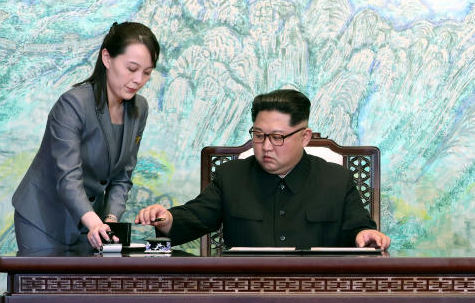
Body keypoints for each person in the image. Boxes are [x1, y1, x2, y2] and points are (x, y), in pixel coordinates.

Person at [135, 89, 390, 250]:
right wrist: (166, 219)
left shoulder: (337, 180)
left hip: (315, 301)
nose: (266, 146)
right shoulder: (231, 177)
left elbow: (360, 230)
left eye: (278, 137)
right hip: (245, 298)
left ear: (304, 137)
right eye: (259, 135)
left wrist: (366, 234)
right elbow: (194, 217)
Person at [12, 21, 161, 254]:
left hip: (91, 226)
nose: (138, 80)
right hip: (44, 219)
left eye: (147, 73)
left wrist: (110, 220)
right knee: (42, 288)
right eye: (132, 69)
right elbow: (68, 176)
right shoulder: (73, 104)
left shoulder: (139, 108)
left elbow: (122, 176)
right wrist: (94, 221)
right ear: (107, 58)